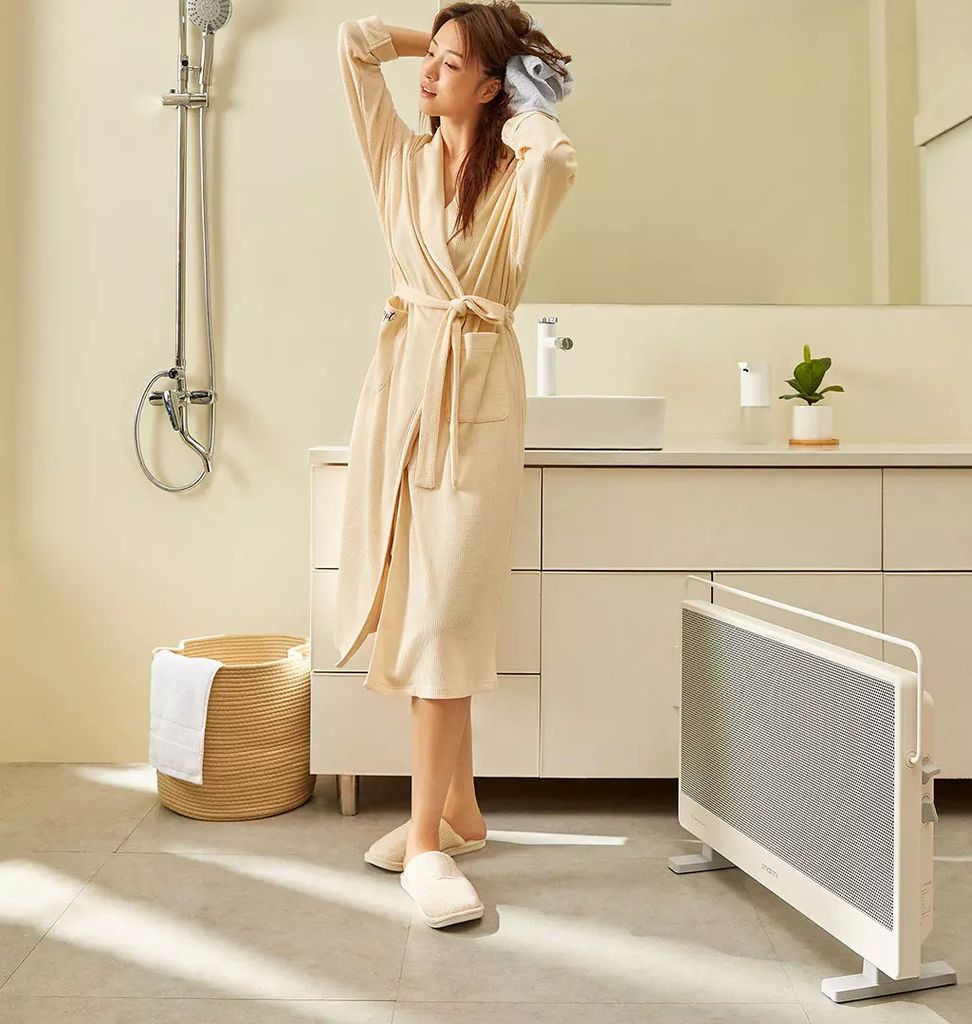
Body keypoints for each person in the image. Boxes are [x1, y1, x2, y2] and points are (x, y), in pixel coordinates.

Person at [333, 2, 577, 928]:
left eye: (450, 64)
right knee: (420, 610)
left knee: (445, 619)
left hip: (476, 401)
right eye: (428, 59)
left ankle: (426, 844)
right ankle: (459, 814)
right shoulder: (399, 159)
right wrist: (437, 38)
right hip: (403, 394)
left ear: (492, 85)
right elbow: (354, 44)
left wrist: (518, 101)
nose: (427, 74)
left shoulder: (517, 174)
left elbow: (555, 158)